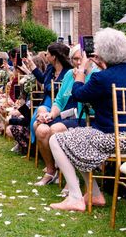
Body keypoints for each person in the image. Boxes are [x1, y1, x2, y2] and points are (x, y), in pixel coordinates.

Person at [49, 28, 126, 212]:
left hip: (113, 137)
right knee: (77, 140)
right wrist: (101, 67)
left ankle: (75, 197)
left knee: (57, 140)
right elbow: (112, 79)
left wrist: (81, 74)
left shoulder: (101, 78)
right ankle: (94, 194)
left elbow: (78, 94)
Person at [33, 45, 89, 186]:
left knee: (55, 129)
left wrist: (81, 77)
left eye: (81, 59)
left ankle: (66, 175)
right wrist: (50, 114)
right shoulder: (69, 74)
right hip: (63, 116)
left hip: (82, 118)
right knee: (40, 127)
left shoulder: (93, 75)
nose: (78, 62)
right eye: (75, 59)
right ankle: (50, 171)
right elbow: (59, 100)